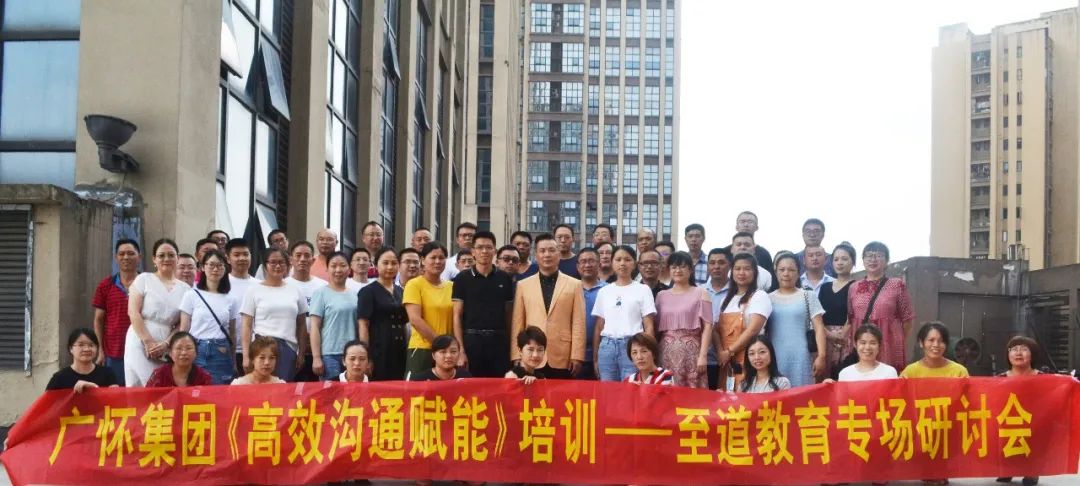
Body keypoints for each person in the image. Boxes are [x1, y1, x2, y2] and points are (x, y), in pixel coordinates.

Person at [510, 233, 586, 379]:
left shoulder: (575, 284)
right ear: (536, 255)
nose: (547, 254)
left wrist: (577, 355)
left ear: (558, 254)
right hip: (531, 355)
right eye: (542, 251)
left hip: (562, 354)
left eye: (551, 250)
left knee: (561, 393)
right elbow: (518, 322)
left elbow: (579, 322)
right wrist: (516, 354)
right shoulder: (523, 285)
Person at [124, 238, 191, 387]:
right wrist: (148, 342)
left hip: (168, 343)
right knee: (144, 384)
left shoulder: (186, 289)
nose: (166, 259)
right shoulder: (143, 279)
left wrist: (166, 344)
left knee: (163, 385)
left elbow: (182, 323)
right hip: (140, 338)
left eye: (171, 255)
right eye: (161, 255)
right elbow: (133, 312)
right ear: (154, 259)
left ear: (177, 258)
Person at [452, 231, 515, 378]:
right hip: (472, 341)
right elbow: (456, 316)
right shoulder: (462, 278)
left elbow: (509, 316)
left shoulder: (504, 278)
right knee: (471, 386)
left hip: (499, 343)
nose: (484, 251)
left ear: (495, 251)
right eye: (480, 247)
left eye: (488, 247)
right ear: (473, 251)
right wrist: (460, 351)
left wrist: (511, 348)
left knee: (499, 386)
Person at [240, 248, 309, 381]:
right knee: (261, 388)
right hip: (261, 348)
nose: (277, 266)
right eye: (273, 262)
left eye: (281, 262)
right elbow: (246, 325)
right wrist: (246, 355)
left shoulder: (295, 290)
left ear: (287, 265)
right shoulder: (253, 290)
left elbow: (301, 325)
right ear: (265, 265)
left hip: (287, 348)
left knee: (283, 388)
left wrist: (301, 353)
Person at [848, 241, 915, 371]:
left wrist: (896, 339)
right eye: (868, 255)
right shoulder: (853, 287)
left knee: (887, 378)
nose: (873, 259)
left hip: (888, 345)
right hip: (863, 345)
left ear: (887, 261)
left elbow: (908, 320)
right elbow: (851, 318)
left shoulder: (897, 285)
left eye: (878, 255)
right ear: (863, 260)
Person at [593, 245, 656, 381]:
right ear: (612, 262)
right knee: (607, 389)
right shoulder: (604, 291)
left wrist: (648, 353)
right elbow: (599, 326)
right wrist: (595, 357)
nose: (622, 263)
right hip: (607, 347)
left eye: (627, 260)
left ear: (634, 264)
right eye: (618, 259)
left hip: (633, 346)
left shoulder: (643, 289)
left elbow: (649, 325)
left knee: (631, 388)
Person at [767, 252, 827, 387]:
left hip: (802, 356)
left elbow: (819, 327)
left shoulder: (808, 295)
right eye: (782, 270)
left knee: (802, 395)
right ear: (776, 272)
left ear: (798, 273)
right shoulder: (767, 298)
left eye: (791, 270)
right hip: (774, 356)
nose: (786, 273)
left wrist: (821, 356)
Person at [178, 250, 238, 384]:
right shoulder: (191, 295)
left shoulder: (231, 299)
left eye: (220, 265)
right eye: (211, 265)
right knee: (195, 391)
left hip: (221, 350)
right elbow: (184, 329)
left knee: (219, 391)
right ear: (202, 267)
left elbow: (232, 333)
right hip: (196, 349)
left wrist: (233, 359)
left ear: (225, 268)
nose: (215, 269)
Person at [655, 252, 712, 388]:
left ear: (690, 270)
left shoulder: (701, 293)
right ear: (669, 270)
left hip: (692, 354)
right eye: (674, 267)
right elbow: (656, 328)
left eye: (682, 267)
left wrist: (703, 356)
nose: (678, 270)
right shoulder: (661, 295)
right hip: (666, 353)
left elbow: (708, 326)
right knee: (667, 391)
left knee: (693, 394)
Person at [716, 253, 773, 390]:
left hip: (751, 359)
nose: (741, 273)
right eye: (737, 268)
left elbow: (753, 329)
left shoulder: (759, 296)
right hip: (727, 362)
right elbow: (715, 330)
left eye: (747, 269)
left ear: (755, 272)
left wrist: (729, 351)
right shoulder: (725, 300)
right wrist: (721, 353)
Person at [92, 238, 140, 385]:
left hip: (141, 349)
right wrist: (100, 350)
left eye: (130, 253)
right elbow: (98, 319)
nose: (126, 257)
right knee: (115, 391)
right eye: (122, 254)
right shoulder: (105, 285)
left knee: (140, 392)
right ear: (116, 257)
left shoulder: (147, 284)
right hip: (113, 352)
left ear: (139, 257)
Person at [404, 242, 455, 379]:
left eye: (441, 257)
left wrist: (448, 349)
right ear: (423, 260)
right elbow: (415, 319)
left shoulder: (452, 286)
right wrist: (440, 344)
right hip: (422, 348)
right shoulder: (414, 284)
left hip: (447, 352)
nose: (437, 261)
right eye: (433, 257)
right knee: (416, 390)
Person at [996, 336, 1042, 486]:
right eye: (1014, 349)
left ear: (1032, 354)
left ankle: (1032, 471)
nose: (1018, 353)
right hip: (1008, 421)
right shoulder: (999, 379)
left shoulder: (1044, 378)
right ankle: (1006, 470)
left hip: (1035, 422)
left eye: (1024, 349)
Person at [358, 248, 408, 381]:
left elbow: (405, 322)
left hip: (400, 347)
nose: (390, 267)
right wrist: (366, 356)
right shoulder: (368, 291)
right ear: (375, 265)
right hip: (379, 347)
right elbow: (363, 324)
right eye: (385, 263)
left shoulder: (401, 291)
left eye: (394, 263)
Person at [310, 252, 359, 380]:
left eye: (342, 265)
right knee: (331, 391)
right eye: (333, 266)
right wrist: (316, 357)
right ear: (327, 269)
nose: (338, 270)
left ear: (349, 268)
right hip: (329, 355)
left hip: (352, 354)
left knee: (352, 391)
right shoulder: (320, 293)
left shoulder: (355, 295)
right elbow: (314, 327)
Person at [285, 241, 328, 381]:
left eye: (307, 255)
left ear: (313, 260)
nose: (302, 259)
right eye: (298, 255)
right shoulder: (284, 285)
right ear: (291, 259)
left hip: (319, 352)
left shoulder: (323, 286)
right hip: (291, 350)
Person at [818, 243, 856, 378]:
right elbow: (818, 315)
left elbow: (854, 314)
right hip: (825, 338)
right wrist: (828, 334)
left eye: (844, 259)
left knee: (844, 376)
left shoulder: (856, 286)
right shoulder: (824, 287)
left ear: (853, 262)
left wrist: (842, 334)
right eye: (836, 259)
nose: (840, 263)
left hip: (846, 339)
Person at [226, 238, 261, 373]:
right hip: (228, 350)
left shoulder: (259, 285)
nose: (242, 258)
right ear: (228, 259)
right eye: (236, 255)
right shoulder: (222, 284)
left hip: (256, 350)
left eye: (246, 254)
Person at [46, 328, 118, 392]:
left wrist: (94, 388)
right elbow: (47, 401)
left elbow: (115, 399)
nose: (86, 349)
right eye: (81, 345)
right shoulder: (59, 378)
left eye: (91, 345)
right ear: (71, 349)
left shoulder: (107, 374)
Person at [826, 324, 898, 382]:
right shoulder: (845, 374)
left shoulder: (889, 372)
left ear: (879, 345)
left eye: (873, 343)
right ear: (855, 344)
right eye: (863, 343)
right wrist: (830, 387)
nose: (867, 347)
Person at [704, 247, 733, 390]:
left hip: (730, 358)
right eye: (712, 262)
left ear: (729, 265)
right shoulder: (699, 291)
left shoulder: (737, 292)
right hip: (705, 359)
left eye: (721, 262)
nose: (716, 266)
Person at [900, 321, 969, 378]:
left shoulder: (959, 372)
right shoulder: (910, 372)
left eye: (941, 341)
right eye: (931, 340)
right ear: (921, 343)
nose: (936, 345)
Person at [577, 247, 606, 379]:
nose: (587, 265)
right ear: (578, 267)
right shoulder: (570, 288)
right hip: (576, 356)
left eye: (591, 261)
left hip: (602, 354)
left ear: (599, 265)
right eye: (583, 261)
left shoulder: (608, 290)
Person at [146, 332, 213, 387]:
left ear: (196, 353)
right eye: (179, 348)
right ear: (170, 353)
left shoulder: (203, 377)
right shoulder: (160, 374)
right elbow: (147, 396)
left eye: (189, 348)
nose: (184, 353)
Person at [723, 211, 774, 277]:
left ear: (757, 227)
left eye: (750, 222)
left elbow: (771, 278)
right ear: (736, 227)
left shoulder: (764, 254)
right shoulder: (724, 253)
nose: (746, 225)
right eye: (742, 222)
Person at [408, 334, 473, 381]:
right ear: (433, 355)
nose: (449, 356)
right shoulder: (420, 380)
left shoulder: (466, 377)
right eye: (443, 352)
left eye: (453, 352)